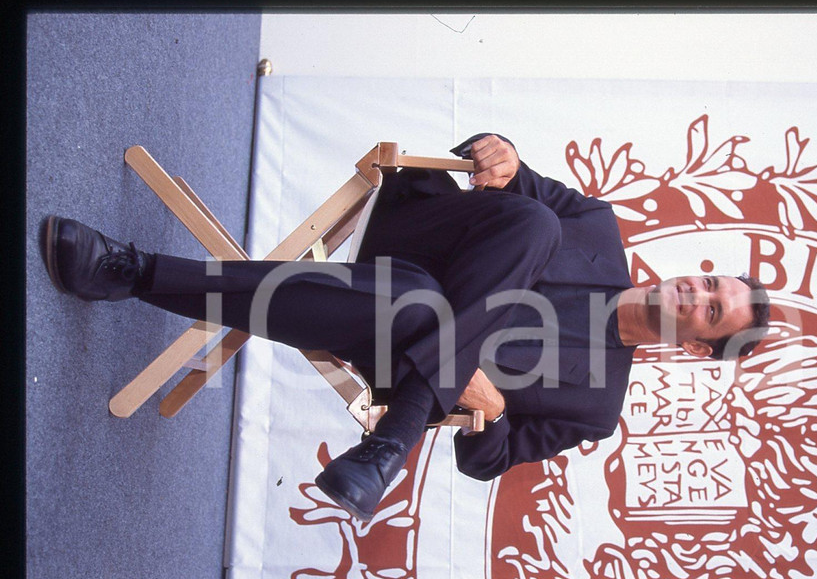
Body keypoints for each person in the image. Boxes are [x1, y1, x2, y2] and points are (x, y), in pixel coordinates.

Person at [39, 133, 770, 522]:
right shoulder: (596, 228)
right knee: (533, 224)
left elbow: (487, 461)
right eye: (712, 282)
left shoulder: (595, 407)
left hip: (393, 329)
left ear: (696, 346)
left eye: (712, 309)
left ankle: (132, 270)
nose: (696, 291)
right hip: (414, 238)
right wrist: (501, 148)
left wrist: (494, 412)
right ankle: (394, 441)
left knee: (418, 308)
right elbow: (506, 175)